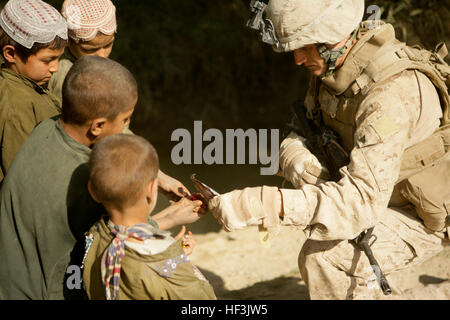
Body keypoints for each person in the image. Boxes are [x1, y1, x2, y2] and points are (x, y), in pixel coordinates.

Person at [208, 0, 450, 299]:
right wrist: (295, 156)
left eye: (304, 47)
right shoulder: (338, 68)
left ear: (332, 35)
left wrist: (265, 204)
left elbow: (359, 204)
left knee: (324, 258)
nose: (297, 59)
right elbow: (302, 128)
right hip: (379, 197)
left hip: (417, 216)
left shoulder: (389, 93)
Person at [0, 56, 204, 300]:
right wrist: (166, 221)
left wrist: (170, 213)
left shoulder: (46, 128)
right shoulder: (85, 177)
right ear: (96, 126)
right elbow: (115, 246)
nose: (127, 126)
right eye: (125, 120)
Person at [82, 134, 216, 300]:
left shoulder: (95, 234)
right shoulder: (161, 253)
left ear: (93, 191)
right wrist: (175, 260)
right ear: (153, 189)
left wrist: (172, 217)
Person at [0, 0, 67, 183]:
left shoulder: (30, 85)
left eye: (59, 59)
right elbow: (22, 178)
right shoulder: (16, 105)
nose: (55, 68)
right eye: (47, 60)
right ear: (11, 54)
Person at [48, 0, 117, 102]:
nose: (102, 55)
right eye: (89, 50)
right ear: (68, 40)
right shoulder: (64, 76)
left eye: (108, 45)